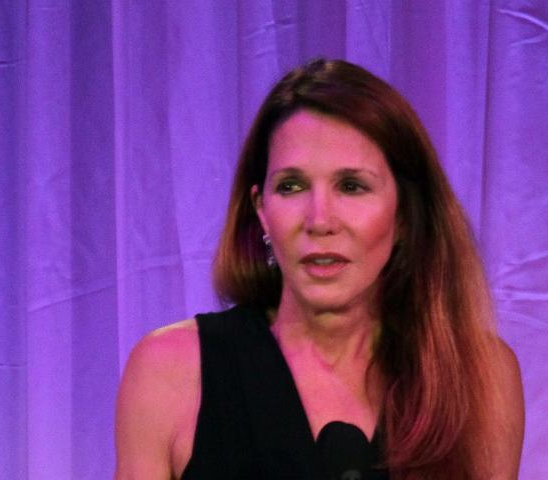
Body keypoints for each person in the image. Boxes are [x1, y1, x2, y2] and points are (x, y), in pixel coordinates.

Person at [114, 59, 524, 480]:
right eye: (292, 186)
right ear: (261, 211)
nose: (319, 220)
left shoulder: (481, 379)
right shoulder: (170, 371)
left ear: (403, 215)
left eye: (351, 186)